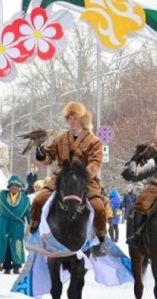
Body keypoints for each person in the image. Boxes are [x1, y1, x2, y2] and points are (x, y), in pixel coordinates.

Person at [30, 101, 106, 255]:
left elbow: (96, 162)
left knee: (98, 206)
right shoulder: (60, 138)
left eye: (75, 118)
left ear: (82, 120)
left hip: (84, 178)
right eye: (69, 118)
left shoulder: (94, 141)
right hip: (61, 176)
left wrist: (84, 174)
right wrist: (40, 152)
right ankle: (36, 232)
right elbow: (49, 157)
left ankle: (100, 239)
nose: (72, 121)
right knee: (38, 200)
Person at [0, 175, 31, 274]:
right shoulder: (2, 195)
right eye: (12, 185)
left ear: (19, 187)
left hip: (17, 224)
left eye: (16, 185)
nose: (14, 187)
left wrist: (32, 223)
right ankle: (6, 266)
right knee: (5, 244)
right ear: (9, 187)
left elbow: (28, 213)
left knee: (16, 243)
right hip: (4, 223)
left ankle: (16, 266)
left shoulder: (25, 199)